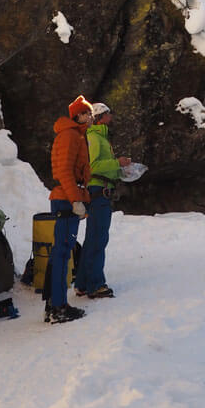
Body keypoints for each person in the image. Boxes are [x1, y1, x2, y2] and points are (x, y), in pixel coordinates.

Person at [73, 102, 132, 300]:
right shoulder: (95, 137)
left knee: (93, 238)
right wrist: (117, 163)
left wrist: (119, 170)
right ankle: (95, 285)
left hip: (101, 190)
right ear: (100, 117)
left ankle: (82, 284)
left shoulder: (100, 137)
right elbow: (94, 166)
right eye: (108, 113)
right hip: (99, 192)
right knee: (98, 238)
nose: (111, 117)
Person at [45, 95, 92, 324]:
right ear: (79, 115)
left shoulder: (75, 135)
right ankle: (58, 307)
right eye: (88, 113)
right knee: (63, 253)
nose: (91, 116)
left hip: (67, 197)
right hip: (66, 199)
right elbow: (65, 172)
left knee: (61, 253)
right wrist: (76, 200)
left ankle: (54, 304)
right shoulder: (70, 136)